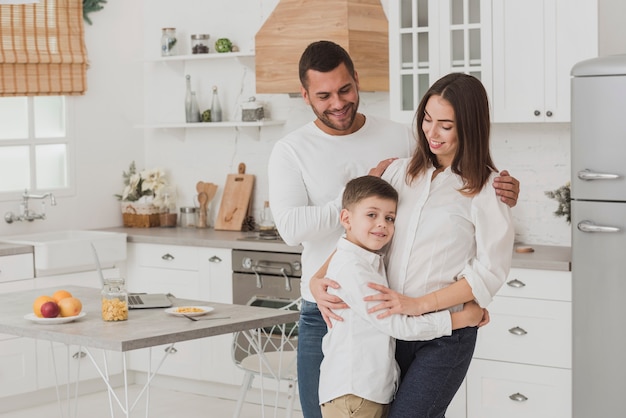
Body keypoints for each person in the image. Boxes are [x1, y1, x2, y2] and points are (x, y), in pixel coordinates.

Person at [267, 40, 520, 418]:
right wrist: (321, 276)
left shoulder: (486, 187)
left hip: (434, 329)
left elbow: (489, 272)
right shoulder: (398, 171)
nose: (432, 132)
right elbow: (365, 235)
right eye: (427, 120)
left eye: (446, 125)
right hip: (383, 325)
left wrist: (419, 305)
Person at [318, 175, 485, 418]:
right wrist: (461, 319)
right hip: (355, 395)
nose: (382, 224)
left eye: (390, 218)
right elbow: (396, 325)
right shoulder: (353, 269)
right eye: (371, 215)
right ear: (346, 218)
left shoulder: (370, 261)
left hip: (368, 393)